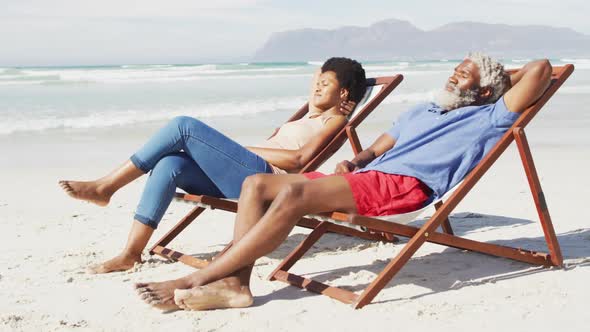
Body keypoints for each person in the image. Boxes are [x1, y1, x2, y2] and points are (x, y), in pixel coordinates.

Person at [134, 53, 553, 311]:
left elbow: (540, 70)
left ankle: (198, 279)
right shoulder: (424, 109)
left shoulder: (488, 115)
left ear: (485, 91)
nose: (452, 77)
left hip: (403, 185)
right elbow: (382, 144)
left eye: (463, 75)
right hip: (369, 175)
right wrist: (356, 159)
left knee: (294, 191)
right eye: (455, 69)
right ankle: (236, 284)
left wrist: (494, 83)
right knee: (255, 187)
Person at [58, 57, 367, 274]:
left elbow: (299, 161)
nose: (315, 87)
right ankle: (131, 253)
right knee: (169, 163)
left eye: (324, 84)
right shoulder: (310, 115)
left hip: (267, 180)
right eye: (316, 82)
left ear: (342, 93)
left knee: (183, 126)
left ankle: (106, 186)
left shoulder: (336, 120)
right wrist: (321, 95)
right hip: (246, 174)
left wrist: (238, 149)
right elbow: (314, 91)